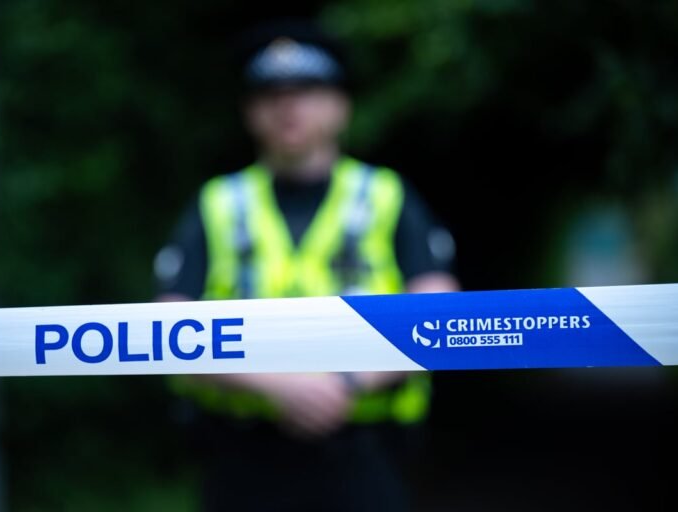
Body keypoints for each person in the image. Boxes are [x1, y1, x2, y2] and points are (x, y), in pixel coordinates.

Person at [152, 18, 460, 512]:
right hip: (241, 455)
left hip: (365, 451)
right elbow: (167, 327)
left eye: (307, 91)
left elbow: (441, 314)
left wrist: (348, 383)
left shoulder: (386, 195)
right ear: (249, 111)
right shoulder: (218, 204)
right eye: (270, 94)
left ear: (341, 106)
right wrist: (278, 386)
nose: (288, 106)